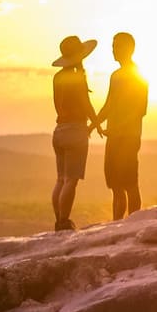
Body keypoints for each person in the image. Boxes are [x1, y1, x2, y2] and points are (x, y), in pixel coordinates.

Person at [49, 35, 102, 231]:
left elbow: (56, 104)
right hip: (76, 130)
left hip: (59, 130)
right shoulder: (77, 77)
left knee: (60, 179)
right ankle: (64, 221)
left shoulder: (57, 77)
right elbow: (85, 104)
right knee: (71, 181)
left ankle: (58, 221)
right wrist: (96, 124)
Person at [95, 32, 149, 220]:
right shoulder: (115, 76)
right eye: (112, 46)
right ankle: (116, 224)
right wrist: (93, 123)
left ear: (129, 49)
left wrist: (118, 128)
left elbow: (139, 110)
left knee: (130, 183)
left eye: (117, 46)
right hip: (114, 137)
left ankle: (133, 224)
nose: (113, 50)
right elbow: (109, 105)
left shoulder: (138, 77)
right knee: (116, 185)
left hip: (128, 137)